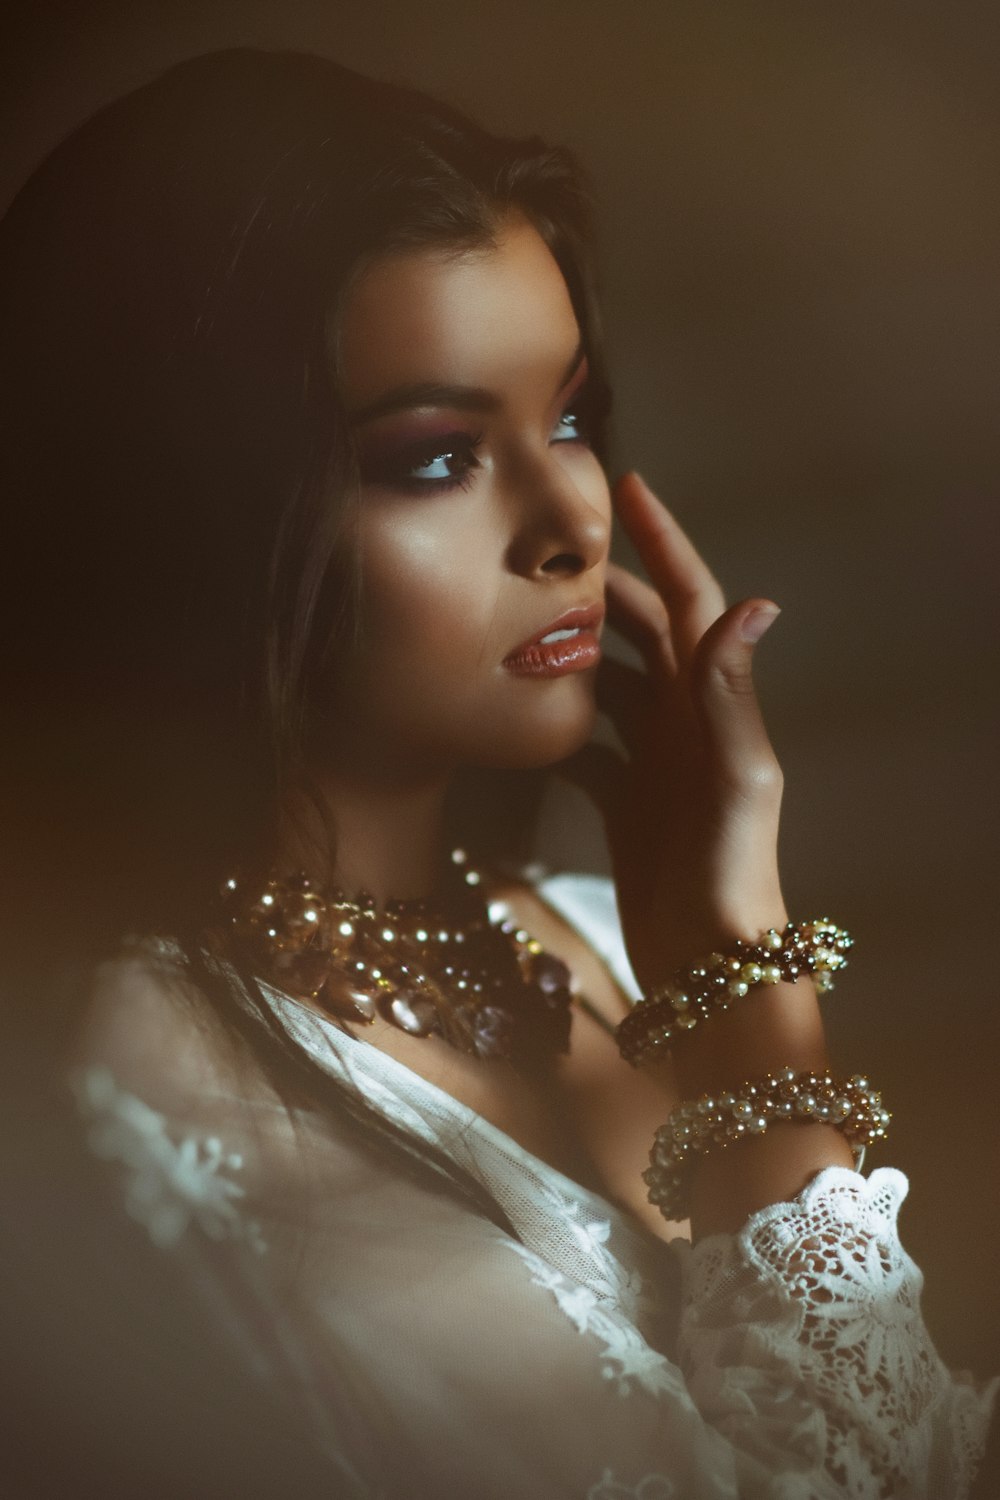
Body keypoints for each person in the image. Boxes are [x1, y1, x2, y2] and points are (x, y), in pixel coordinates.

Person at [0, 47, 994, 1499]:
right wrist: (744, 999)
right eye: (435, 455)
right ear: (197, 509)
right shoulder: (158, 1073)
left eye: (571, 418)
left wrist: (717, 967)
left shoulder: (585, 932)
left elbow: (929, 1454)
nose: (568, 519)